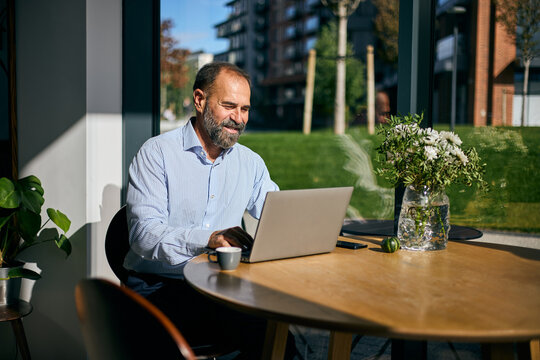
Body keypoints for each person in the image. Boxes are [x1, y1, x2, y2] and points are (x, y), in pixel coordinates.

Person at [124, 62, 295, 359]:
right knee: (258, 336)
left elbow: (276, 213)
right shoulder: (157, 154)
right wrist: (209, 238)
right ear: (200, 100)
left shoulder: (250, 163)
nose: (238, 119)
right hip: (159, 287)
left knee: (279, 337)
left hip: (220, 286)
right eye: (229, 106)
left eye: (245, 109)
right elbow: (144, 236)